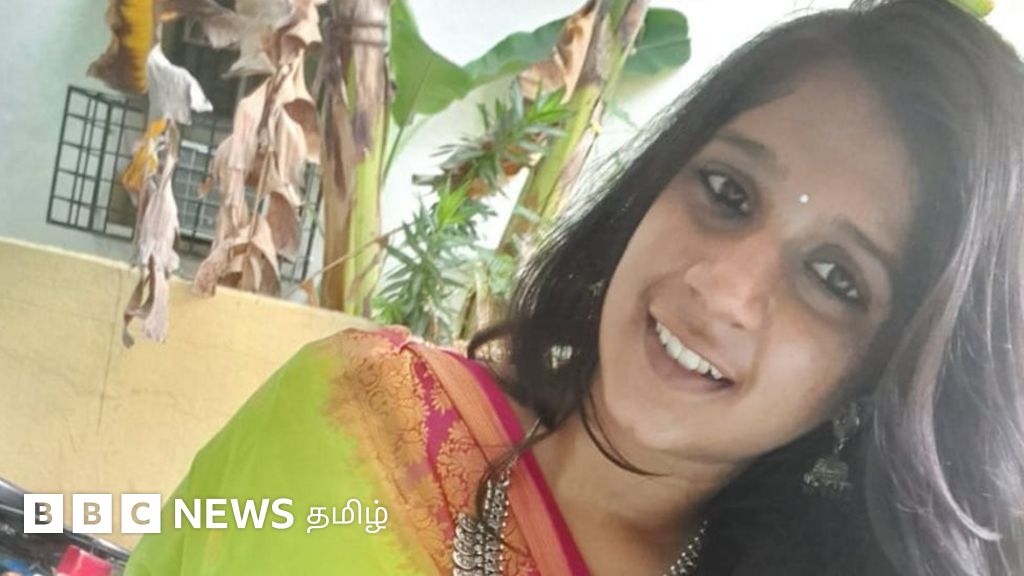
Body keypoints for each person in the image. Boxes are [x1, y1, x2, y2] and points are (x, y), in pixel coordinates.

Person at [124, 0, 1024, 574]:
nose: (722, 288)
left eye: (834, 278)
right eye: (726, 191)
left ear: (886, 375)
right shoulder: (352, 419)